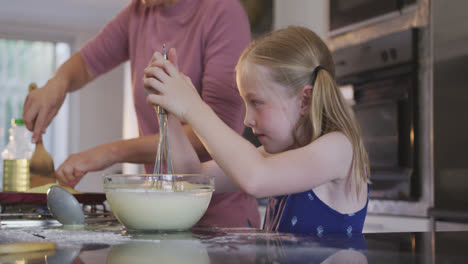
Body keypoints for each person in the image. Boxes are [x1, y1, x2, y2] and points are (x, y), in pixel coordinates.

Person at [22, 0, 261, 228]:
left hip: (218, 216)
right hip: (157, 211)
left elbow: (216, 135)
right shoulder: (139, 12)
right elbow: (87, 63)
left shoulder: (222, 12)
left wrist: (111, 152)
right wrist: (58, 83)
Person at [144, 26, 371, 234]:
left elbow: (255, 178)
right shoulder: (275, 156)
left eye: (256, 102)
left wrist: (192, 106)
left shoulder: (339, 150)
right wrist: (169, 111)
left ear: (304, 100)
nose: (247, 119)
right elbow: (191, 179)